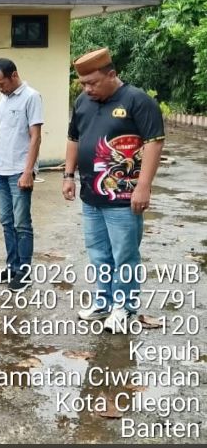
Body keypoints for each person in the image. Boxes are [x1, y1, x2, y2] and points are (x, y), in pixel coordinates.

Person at [63, 47, 164, 334]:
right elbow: (73, 138)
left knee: (124, 255)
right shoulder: (83, 101)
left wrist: (143, 186)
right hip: (91, 195)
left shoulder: (137, 101)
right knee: (98, 253)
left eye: (93, 83)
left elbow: (154, 143)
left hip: (124, 198)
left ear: (112, 74)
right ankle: (104, 302)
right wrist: (68, 175)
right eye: (83, 83)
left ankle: (125, 308)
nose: (87, 89)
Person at [0, 58, 44, 291]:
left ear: (14, 75)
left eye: (2, 84)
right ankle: (12, 267)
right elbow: (1, 133)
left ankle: (24, 273)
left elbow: (35, 137)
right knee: (6, 222)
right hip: (1, 170)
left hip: (19, 171)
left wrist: (28, 171)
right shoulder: (3, 98)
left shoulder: (31, 97)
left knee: (22, 224)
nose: (0, 89)